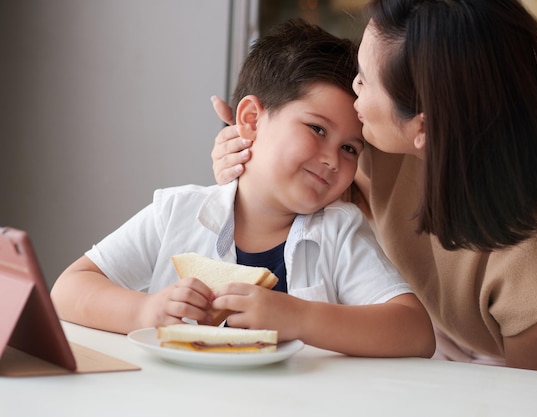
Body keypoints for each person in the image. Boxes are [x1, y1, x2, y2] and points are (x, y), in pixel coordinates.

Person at [211, 0, 537, 379]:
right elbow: (326, 182)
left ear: (423, 127)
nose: (351, 90)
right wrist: (253, 157)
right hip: (442, 332)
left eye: (364, 83)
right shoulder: (394, 127)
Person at [50, 18, 435, 358]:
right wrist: (144, 311)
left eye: (350, 148)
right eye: (317, 129)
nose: (334, 159)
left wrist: (299, 317)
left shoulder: (339, 229)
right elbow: (68, 289)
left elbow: (415, 333)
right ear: (250, 119)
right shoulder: (176, 212)